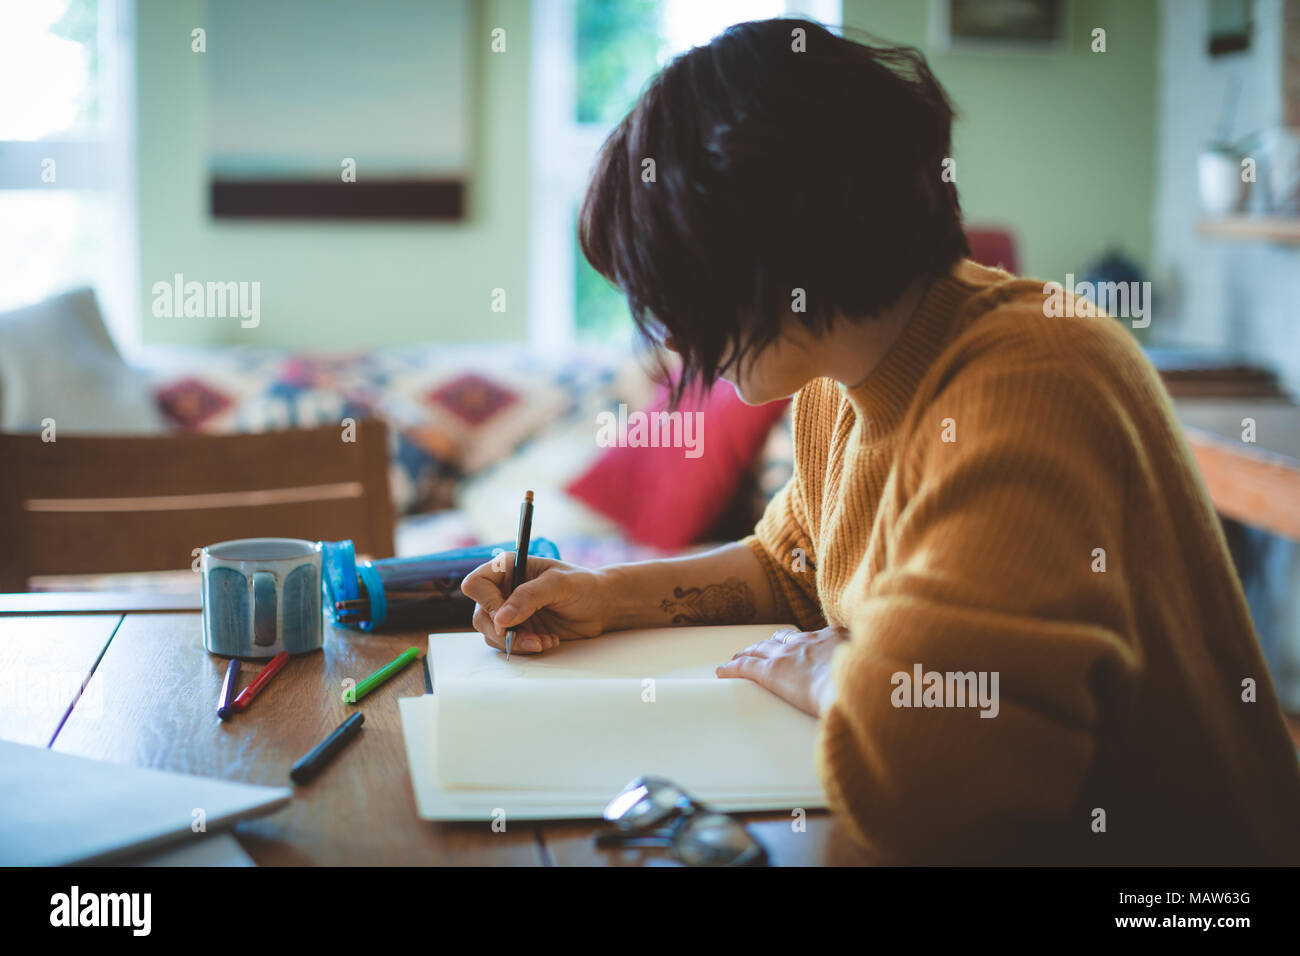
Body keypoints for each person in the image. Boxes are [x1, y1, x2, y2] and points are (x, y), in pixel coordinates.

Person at [461, 18, 1300, 864]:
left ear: (769, 251)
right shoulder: (841, 382)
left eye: (678, 286)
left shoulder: (1035, 378)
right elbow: (790, 569)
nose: (675, 338)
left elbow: (927, 785)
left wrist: (832, 671)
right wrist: (607, 597)